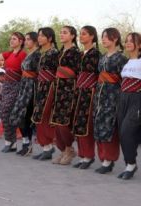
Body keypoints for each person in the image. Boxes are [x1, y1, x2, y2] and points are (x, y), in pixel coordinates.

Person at [93, 28, 128, 174]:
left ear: (115, 39)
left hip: (112, 96)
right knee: (98, 124)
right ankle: (102, 158)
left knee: (109, 126)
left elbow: (124, 78)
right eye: (102, 37)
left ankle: (109, 160)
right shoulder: (102, 56)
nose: (104, 39)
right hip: (99, 96)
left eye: (107, 37)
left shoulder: (121, 58)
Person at [117, 32, 141, 180]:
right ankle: (129, 163)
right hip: (123, 97)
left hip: (136, 98)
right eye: (127, 41)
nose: (128, 43)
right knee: (121, 132)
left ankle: (131, 164)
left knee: (127, 131)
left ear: (140, 45)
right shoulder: (127, 62)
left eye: (132, 41)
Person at [50, 26, 80, 165]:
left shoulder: (75, 52)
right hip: (57, 89)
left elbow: (76, 72)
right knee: (56, 121)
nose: (61, 35)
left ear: (73, 36)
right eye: (60, 32)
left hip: (68, 89)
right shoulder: (61, 51)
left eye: (65, 33)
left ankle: (69, 149)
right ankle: (62, 150)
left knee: (64, 122)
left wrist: (61, 70)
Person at [9, 31, 41, 156]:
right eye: (25, 39)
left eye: (28, 39)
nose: (26, 41)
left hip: (31, 87)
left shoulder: (38, 55)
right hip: (23, 86)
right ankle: (25, 141)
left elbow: (39, 73)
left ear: (35, 41)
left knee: (26, 115)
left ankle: (28, 144)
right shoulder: (29, 54)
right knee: (18, 114)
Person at [72, 26, 100, 169]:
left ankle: (89, 156)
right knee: (79, 123)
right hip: (79, 91)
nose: (81, 36)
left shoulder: (96, 54)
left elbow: (97, 74)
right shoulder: (81, 53)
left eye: (84, 34)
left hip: (89, 92)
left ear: (92, 37)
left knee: (86, 123)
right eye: (80, 34)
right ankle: (82, 155)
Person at [31, 27, 60, 160]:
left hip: (50, 87)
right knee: (39, 116)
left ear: (50, 38)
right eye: (39, 36)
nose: (39, 38)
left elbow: (57, 72)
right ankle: (45, 147)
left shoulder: (54, 53)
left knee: (45, 116)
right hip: (40, 86)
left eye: (42, 36)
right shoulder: (41, 53)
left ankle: (49, 146)